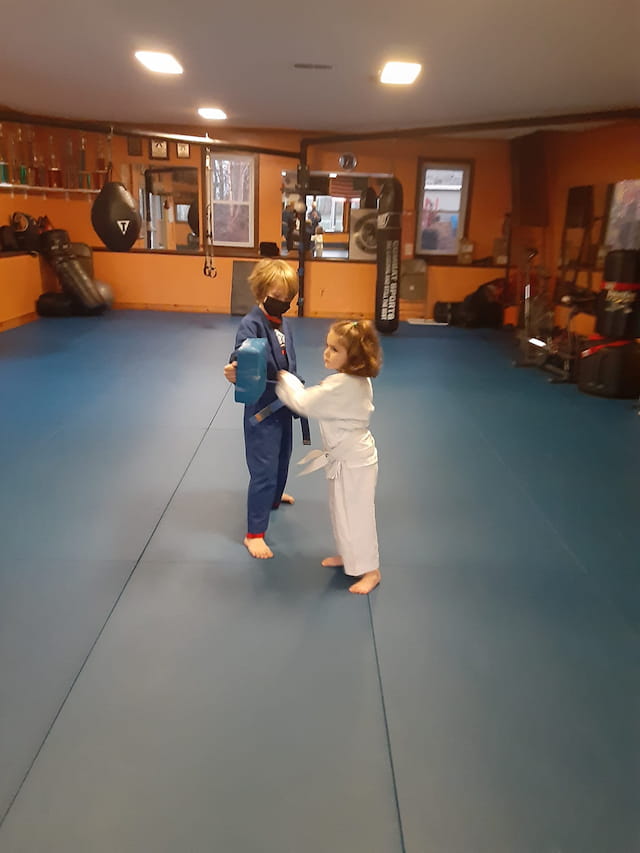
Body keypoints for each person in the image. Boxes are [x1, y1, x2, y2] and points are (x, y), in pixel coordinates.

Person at [276, 320, 382, 594]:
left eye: (335, 349)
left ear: (354, 359)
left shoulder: (343, 385)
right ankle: (350, 557)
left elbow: (303, 403)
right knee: (341, 511)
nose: (326, 352)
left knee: (357, 515)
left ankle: (371, 570)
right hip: (344, 459)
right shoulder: (347, 381)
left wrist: (284, 378)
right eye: (327, 346)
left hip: (355, 462)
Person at [223, 259, 301, 560]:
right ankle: (254, 533)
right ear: (261, 291)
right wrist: (234, 367)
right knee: (263, 468)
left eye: (287, 298)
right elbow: (244, 352)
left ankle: (274, 495)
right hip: (262, 409)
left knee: (283, 457)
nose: (281, 302)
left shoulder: (284, 324)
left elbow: (288, 358)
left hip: (284, 404)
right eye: (276, 295)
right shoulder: (252, 324)